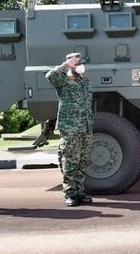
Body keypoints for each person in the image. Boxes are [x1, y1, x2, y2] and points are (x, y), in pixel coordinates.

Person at [46, 52, 94, 207]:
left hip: (85, 127)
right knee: (70, 161)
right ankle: (70, 194)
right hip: (70, 127)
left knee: (83, 161)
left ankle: (79, 192)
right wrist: (65, 65)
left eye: (80, 63)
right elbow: (50, 76)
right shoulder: (63, 80)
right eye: (77, 63)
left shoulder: (84, 81)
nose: (80, 66)